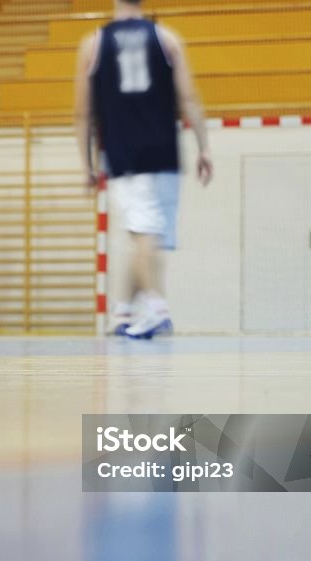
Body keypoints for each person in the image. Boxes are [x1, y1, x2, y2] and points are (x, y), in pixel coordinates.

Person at [74, 0, 213, 338]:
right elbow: (189, 98)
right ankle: (123, 311)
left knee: (143, 234)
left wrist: (86, 165)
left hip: (124, 153)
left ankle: (156, 308)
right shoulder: (168, 38)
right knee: (148, 235)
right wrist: (204, 146)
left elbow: (83, 113)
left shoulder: (92, 44)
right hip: (165, 149)